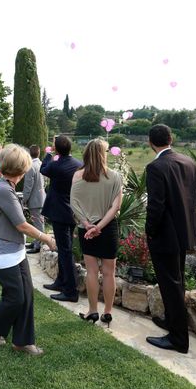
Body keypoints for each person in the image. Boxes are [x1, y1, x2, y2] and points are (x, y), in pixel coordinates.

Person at [0, 144, 57, 356]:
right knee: (15, 297)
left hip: (13, 250)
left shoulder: (5, 186)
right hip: (2, 253)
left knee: (26, 294)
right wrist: (46, 238)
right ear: (21, 171)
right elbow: (21, 224)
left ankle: (22, 341)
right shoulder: (5, 190)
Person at [144, 124, 196, 354]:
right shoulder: (189, 162)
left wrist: (150, 231)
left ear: (150, 143)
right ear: (171, 138)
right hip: (184, 231)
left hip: (165, 236)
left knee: (170, 284)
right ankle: (172, 321)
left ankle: (178, 340)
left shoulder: (156, 167)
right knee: (177, 282)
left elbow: (155, 206)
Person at [70, 139, 123, 327]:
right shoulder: (115, 176)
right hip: (107, 229)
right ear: (104, 154)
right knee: (109, 272)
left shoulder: (77, 176)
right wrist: (100, 226)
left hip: (87, 229)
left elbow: (74, 204)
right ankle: (107, 313)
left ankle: (92, 311)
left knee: (91, 271)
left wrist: (88, 224)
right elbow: (116, 206)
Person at [40, 135, 82, 303]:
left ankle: (71, 291)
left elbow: (43, 169)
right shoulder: (79, 164)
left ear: (57, 148)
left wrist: (49, 154)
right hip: (72, 212)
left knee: (65, 252)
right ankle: (60, 281)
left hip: (60, 212)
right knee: (66, 249)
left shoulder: (56, 165)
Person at [24, 145, 46, 254]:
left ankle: (38, 245)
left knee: (38, 223)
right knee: (38, 221)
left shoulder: (30, 166)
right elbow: (45, 180)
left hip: (34, 199)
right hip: (41, 196)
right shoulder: (41, 164)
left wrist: (24, 199)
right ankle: (36, 241)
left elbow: (28, 186)